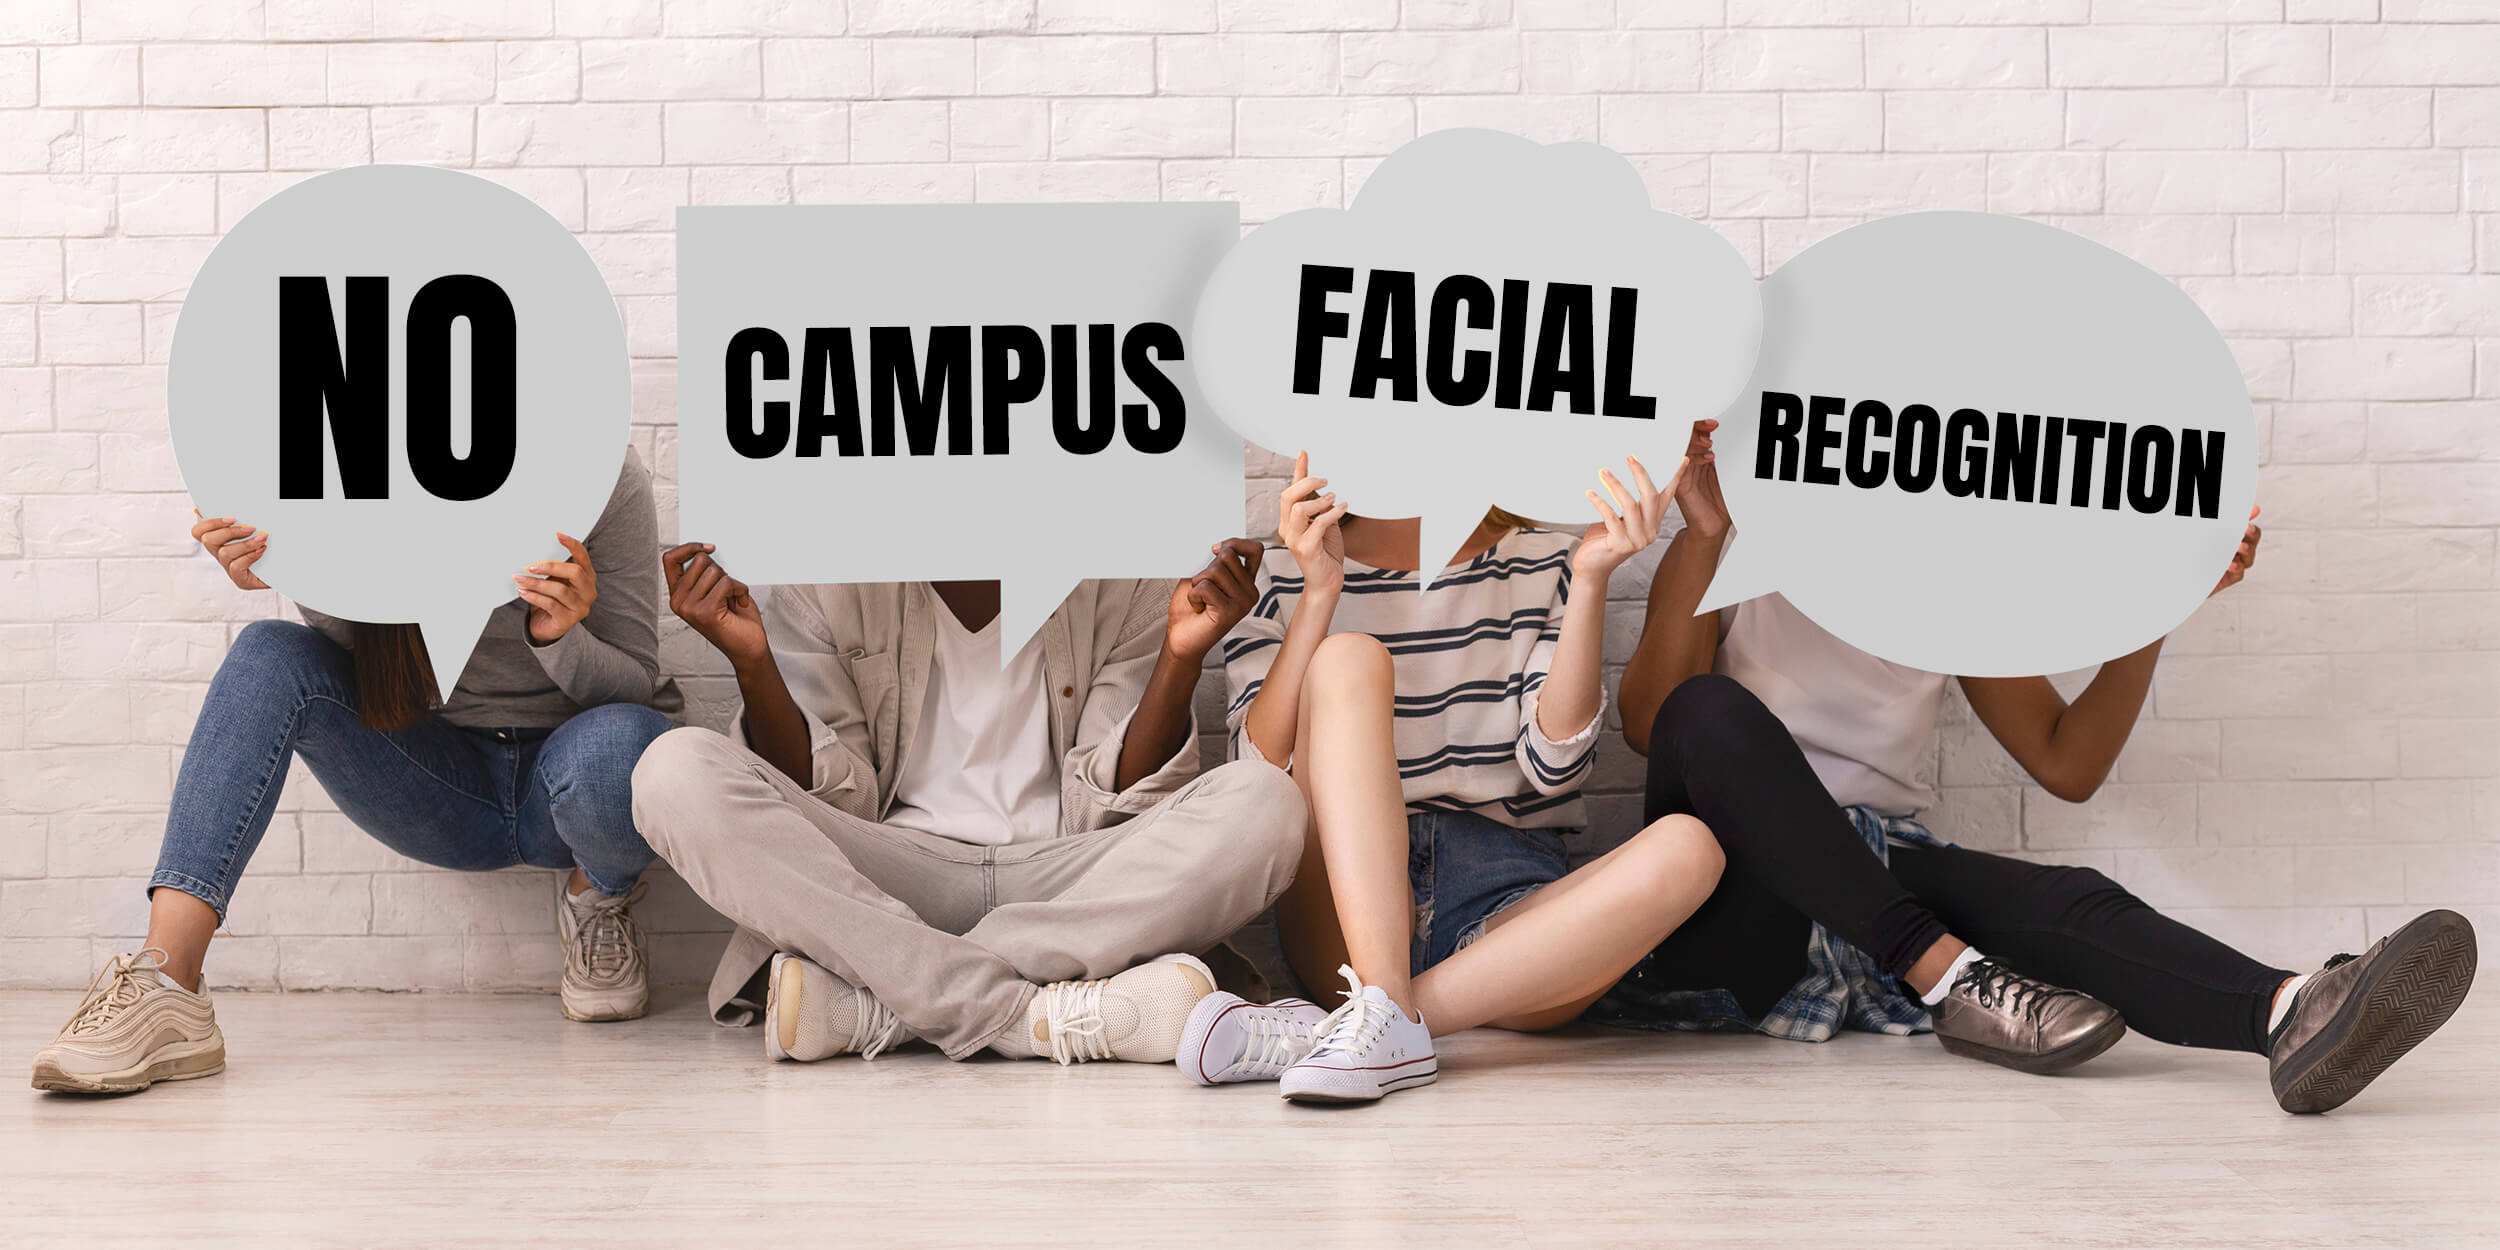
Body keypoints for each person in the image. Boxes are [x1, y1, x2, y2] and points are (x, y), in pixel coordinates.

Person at [1607, 418, 2478, 1114]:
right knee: (1708, 708)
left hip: (1876, 874)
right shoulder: (1741, 540)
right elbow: (1656, 725)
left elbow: (2069, 762)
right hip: (1732, 891)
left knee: (2065, 900)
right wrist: (1705, 534)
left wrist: (2158, 606)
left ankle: (2290, 1010)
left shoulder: (1944, 584)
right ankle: (1952, 979)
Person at [32, 450, 680, 1095]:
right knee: (268, 653)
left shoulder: (601, 469)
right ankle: (166, 984)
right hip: (437, 782)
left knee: (624, 739)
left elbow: (633, 687)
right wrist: (293, 569)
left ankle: (595, 898)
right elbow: (366, 662)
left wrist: (559, 634)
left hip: (569, 781)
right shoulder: (348, 459)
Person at [631, 537, 1307, 1068]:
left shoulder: (1123, 572)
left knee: (1265, 802)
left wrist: (1180, 658)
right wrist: (753, 664)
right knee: (671, 770)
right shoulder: (830, 572)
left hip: (1069, 880)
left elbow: (1109, 809)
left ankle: (888, 1005)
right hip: (890, 875)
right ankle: (1028, 1015)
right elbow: (838, 801)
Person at [1184, 453, 1726, 1104]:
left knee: (1691, 849)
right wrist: (1321, 592)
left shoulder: (1551, 559)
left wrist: (1588, 580)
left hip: (1507, 911)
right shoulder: (1278, 571)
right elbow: (1256, 785)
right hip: (1340, 909)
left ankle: (1371, 1024)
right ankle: (1376, 1003)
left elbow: (1555, 769)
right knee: (1346, 658)